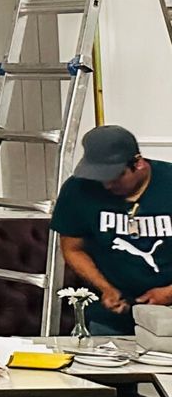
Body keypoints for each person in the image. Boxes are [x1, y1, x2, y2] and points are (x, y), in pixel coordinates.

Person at [52, 124, 172, 334]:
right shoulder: (78, 189)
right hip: (109, 319)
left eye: (116, 176)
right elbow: (72, 248)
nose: (107, 185)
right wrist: (105, 288)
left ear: (138, 163)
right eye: (100, 178)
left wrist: (170, 293)